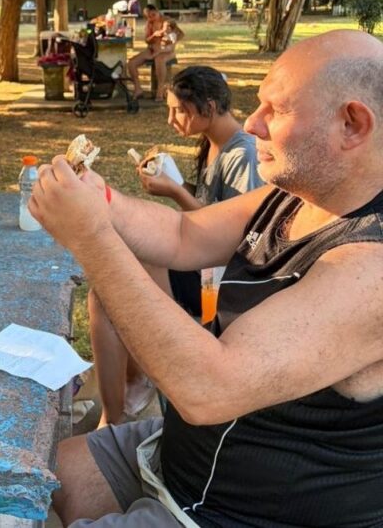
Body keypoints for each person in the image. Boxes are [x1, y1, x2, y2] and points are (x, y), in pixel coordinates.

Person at [30, 29, 383, 526]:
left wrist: (90, 237)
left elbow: (206, 387)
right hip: (181, 461)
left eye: (276, 111)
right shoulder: (300, 192)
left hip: (240, 512)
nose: (253, 124)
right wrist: (99, 200)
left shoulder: (369, 269)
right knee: (44, 474)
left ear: (352, 125)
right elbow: (181, 233)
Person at [92, 66, 262, 427]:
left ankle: (115, 414)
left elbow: (237, 235)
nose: (171, 119)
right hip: (200, 264)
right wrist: (174, 183)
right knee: (116, 273)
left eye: (178, 110)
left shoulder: (242, 155)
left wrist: (175, 192)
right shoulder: (215, 144)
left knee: (111, 289)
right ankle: (134, 385)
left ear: (209, 107)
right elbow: (210, 207)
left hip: (219, 282)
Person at [126, 5, 177, 101]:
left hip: (167, 50)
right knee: (132, 63)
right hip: (152, 49)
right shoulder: (149, 24)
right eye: (148, 16)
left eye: (153, 15)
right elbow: (147, 40)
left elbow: (175, 39)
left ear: (157, 11)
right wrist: (153, 35)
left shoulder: (168, 22)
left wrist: (162, 46)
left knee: (159, 59)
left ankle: (160, 91)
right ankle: (138, 89)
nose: (151, 18)